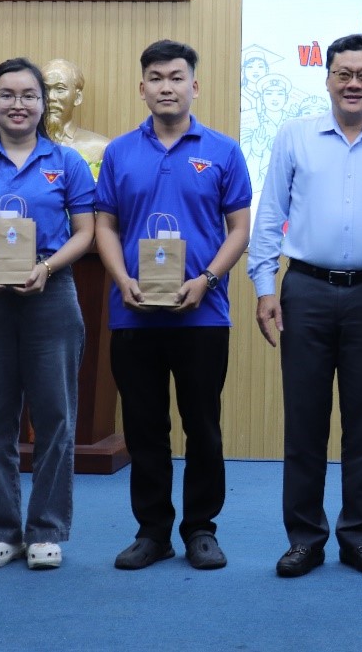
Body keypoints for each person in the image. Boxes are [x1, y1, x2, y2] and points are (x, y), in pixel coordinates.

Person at [248, 33, 362, 579]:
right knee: (304, 421)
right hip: (305, 291)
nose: (354, 84)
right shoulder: (295, 136)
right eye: (343, 74)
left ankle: (358, 538)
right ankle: (304, 539)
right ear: (327, 78)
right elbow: (270, 214)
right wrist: (265, 288)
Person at [94, 41, 252, 572]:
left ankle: (201, 529)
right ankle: (153, 532)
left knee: (203, 425)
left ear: (194, 86)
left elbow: (239, 228)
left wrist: (207, 280)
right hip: (133, 311)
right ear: (142, 88)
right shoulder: (119, 152)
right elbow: (105, 225)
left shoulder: (224, 150)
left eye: (177, 77)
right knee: (144, 427)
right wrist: (121, 279)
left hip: (202, 313)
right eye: (156, 78)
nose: (167, 87)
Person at [0, 57, 95, 571]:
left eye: (29, 95)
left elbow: (86, 232)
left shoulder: (66, 162)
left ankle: (46, 529)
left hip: (51, 293)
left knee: (55, 416)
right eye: (7, 95)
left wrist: (48, 268)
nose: (18, 104)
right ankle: (0, 530)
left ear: (43, 104)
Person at [41, 57, 109, 164]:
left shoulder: (101, 148)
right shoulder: (21, 146)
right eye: (45, 89)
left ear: (77, 97)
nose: (50, 97)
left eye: (60, 89)